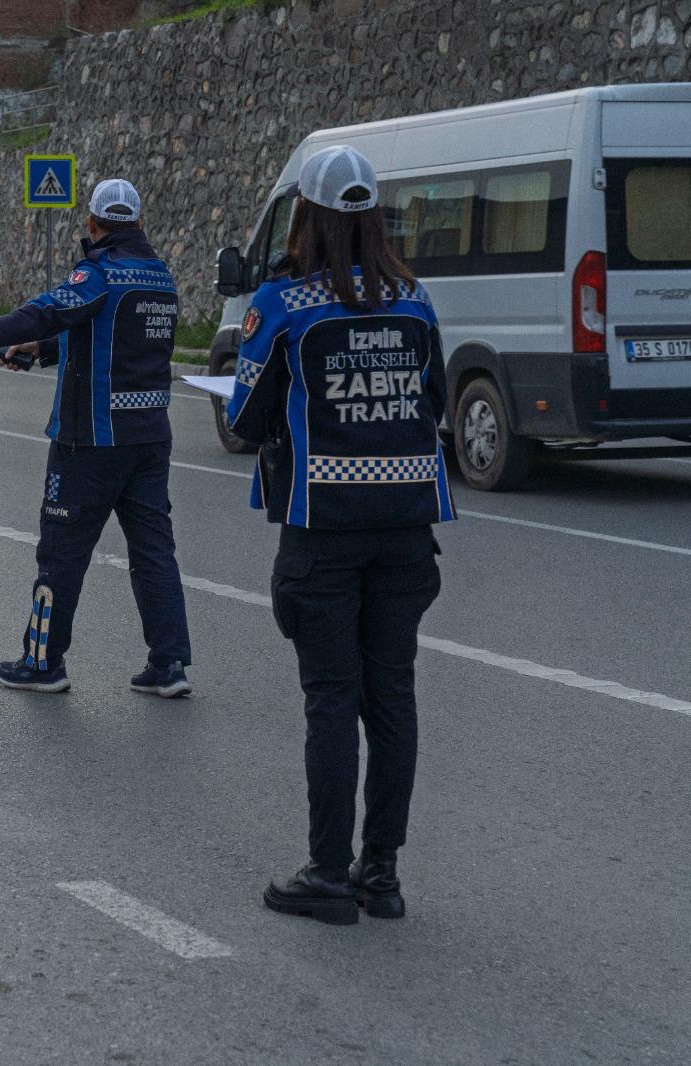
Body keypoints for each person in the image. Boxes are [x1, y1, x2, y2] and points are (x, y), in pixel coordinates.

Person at [225, 145, 456, 925]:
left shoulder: (285, 303)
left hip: (321, 531)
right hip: (407, 531)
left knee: (331, 699)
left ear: (307, 217)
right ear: (373, 216)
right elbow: (435, 397)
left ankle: (326, 872)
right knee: (392, 698)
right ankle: (380, 875)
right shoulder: (415, 298)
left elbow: (246, 417)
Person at [0, 178, 193, 698]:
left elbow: (54, 308)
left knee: (61, 553)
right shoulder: (160, 278)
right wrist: (43, 350)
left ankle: (43, 663)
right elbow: (102, 336)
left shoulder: (98, 273)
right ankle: (169, 666)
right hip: (149, 437)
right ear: (140, 223)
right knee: (154, 552)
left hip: (90, 441)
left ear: (92, 225)